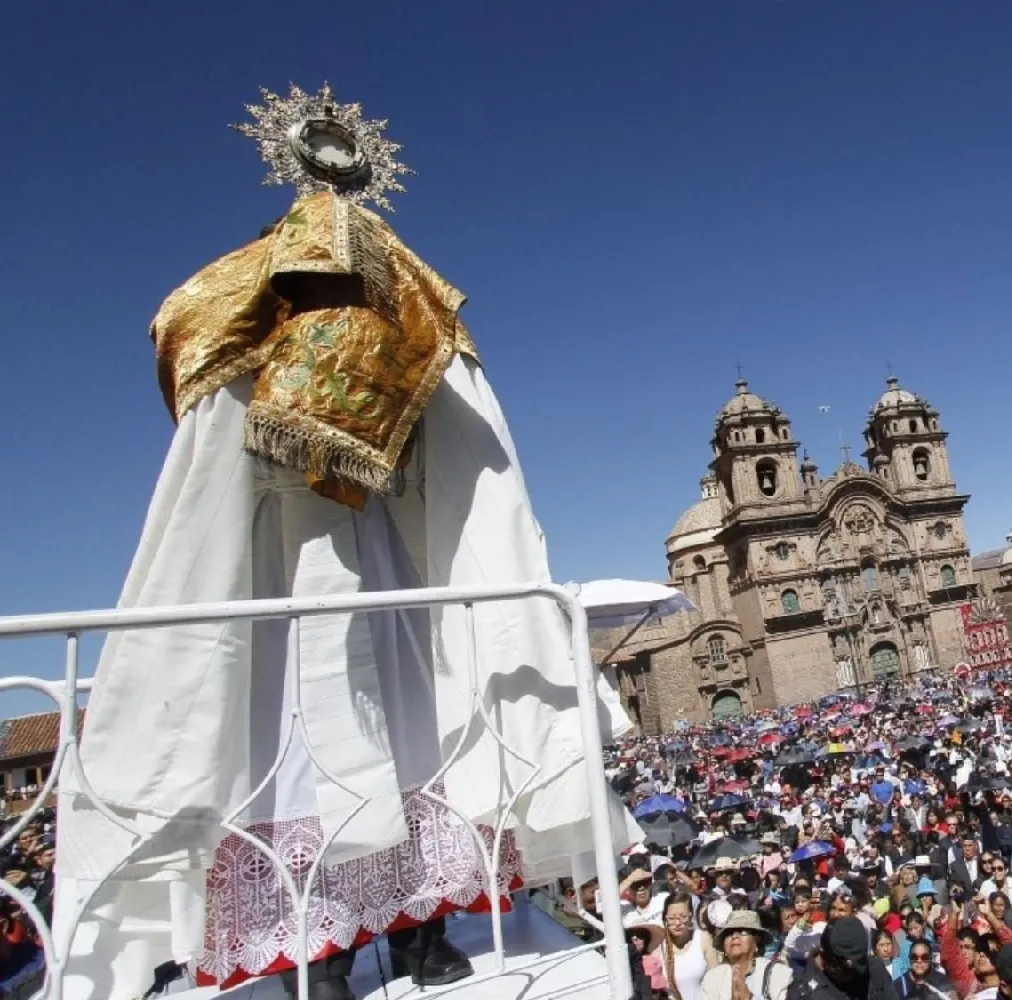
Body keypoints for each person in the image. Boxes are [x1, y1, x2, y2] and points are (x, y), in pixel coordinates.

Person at [53, 183, 641, 999]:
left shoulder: (395, 327)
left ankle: (420, 931)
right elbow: (207, 446)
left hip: (385, 562)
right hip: (280, 574)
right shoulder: (236, 322)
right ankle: (317, 951)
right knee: (297, 758)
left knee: (416, 737)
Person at [789, 917, 894, 1000]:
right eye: (846, 970)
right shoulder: (803, 995)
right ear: (824, 955)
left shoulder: (874, 970)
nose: (854, 975)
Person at [702, 910, 793, 1000]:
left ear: (756, 941)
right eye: (729, 933)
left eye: (743, 932)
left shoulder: (778, 974)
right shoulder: (712, 978)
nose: (734, 936)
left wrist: (749, 997)